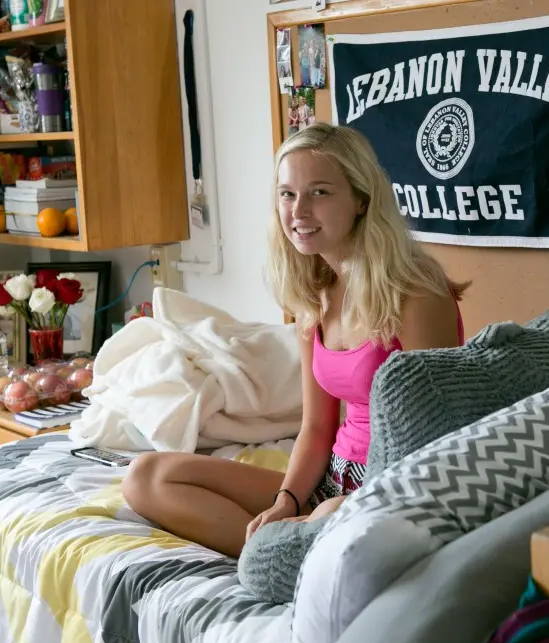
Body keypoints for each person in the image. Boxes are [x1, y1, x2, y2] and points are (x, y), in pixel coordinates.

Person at [121, 123, 469, 558]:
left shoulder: (416, 291)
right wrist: (286, 501)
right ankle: (292, 550)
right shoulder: (314, 301)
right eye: (287, 194)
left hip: (391, 488)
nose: (299, 211)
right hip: (332, 479)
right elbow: (317, 427)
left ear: (362, 200)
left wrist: (346, 505)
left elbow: (435, 436)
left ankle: (293, 555)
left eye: (320, 192)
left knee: (322, 521)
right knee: (147, 476)